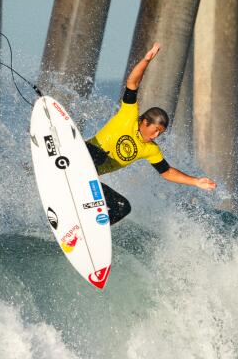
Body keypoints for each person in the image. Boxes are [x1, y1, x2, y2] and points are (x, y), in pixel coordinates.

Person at [85, 42, 216, 225]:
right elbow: (133, 83)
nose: (155, 137)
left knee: (123, 207)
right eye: (155, 131)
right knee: (99, 155)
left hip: (89, 177)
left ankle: (91, 227)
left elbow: (167, 172)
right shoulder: (128, 115)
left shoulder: (150, 150)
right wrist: (146, 60)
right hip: (82, 155)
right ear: (145, 122)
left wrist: (195, 181)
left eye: (160, 134)